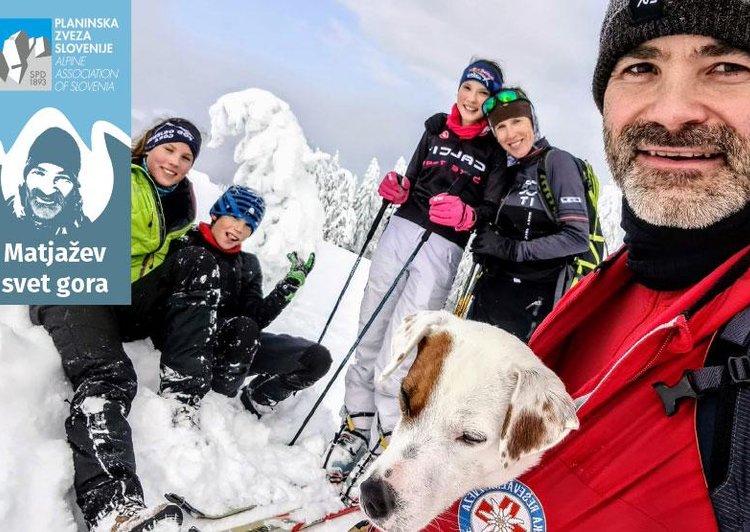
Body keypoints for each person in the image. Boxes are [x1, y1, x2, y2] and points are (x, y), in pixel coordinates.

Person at [427, 1, 750, 530]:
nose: (671, 112)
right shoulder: (619, 281)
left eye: (727, 68)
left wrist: (510, 251)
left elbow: (573, 237)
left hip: (529, 303)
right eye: (641, 68)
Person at [325, 58, 508, 486]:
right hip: (403, 229)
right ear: (459, 88)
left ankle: (390, 430)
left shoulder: (494, 150)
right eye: (468, 88)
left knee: (404, 341)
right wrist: (399, 189)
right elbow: (411, 178)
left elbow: (490, 209)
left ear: (491, 101)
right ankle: (355, 423)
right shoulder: (434, 128)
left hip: (442, 247)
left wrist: (467, 215)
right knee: (371, 325)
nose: (473, 100)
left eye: (483, 94)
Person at [29, 117, 205, 532]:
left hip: (122, 296)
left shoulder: (176, 204)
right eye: (169, 149)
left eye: (186, 157)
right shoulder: (113, 177)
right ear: (148, 148)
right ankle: (115, 510)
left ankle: (184, 387)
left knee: (198, 261)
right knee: (108, 375)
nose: (176, 161)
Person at [166, 184, 331, 417]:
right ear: (216, 213)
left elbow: (255, 319)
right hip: (183, 341)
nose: (239, 229)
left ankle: (257, 398)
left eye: (248, 225)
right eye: (234, 217)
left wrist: (288, 287)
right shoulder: (184, 242)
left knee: (316, 359)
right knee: (244, 329)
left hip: (233, 346)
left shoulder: (247, 265)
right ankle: (214, 403)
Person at [467, 87, 590, 341]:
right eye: (500, 127)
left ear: (532, 121)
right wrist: (489, 244)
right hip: (491, 292)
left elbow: (577, 238)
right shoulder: (509, 169)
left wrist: (512, 249)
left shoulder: (557, 163)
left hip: (536, 301)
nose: (510, 134)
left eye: (517, 121)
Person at [5, 126, 86, 234]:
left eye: (62, 178)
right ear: (26, 177)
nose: (47, 190)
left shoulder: (88, 232)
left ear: (74, 188)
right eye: (39, 173)